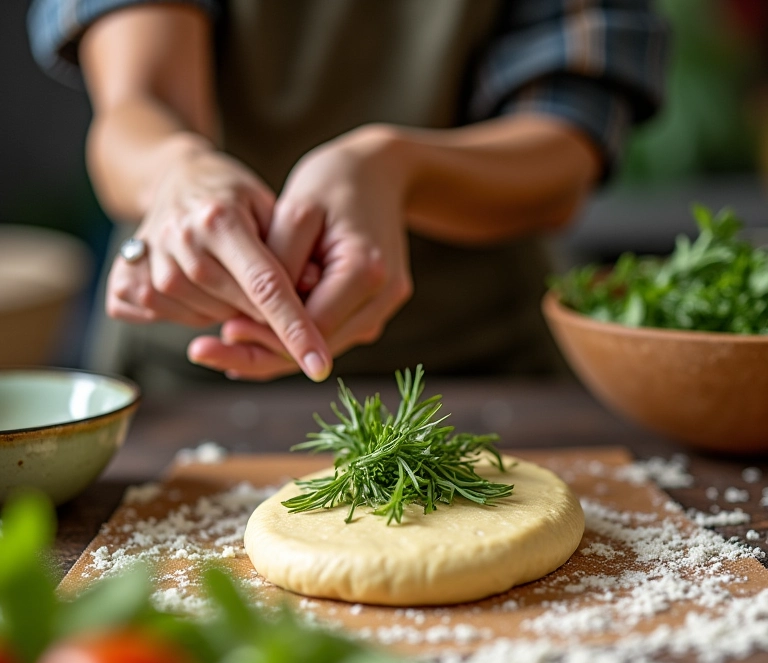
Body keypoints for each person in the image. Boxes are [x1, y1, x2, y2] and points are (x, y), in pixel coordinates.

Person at [28, 0, 667, 391]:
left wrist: (396, 167)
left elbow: (564, 154)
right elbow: (138, 106)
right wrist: (177, 172)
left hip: (485, 368)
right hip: (187, 377)